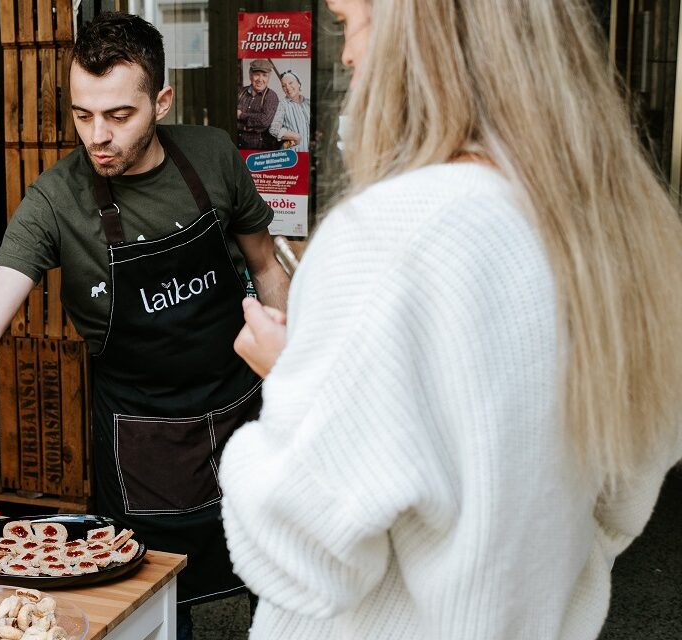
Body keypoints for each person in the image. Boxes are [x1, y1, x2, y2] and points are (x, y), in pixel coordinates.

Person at [221, 0, 682, 638]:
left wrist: (296, 375)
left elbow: (304, 556)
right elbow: (622, 501)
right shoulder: (623, 230)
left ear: (418, 34)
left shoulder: (389, 236)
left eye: (350, 23)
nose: (349, 54)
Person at [0, 11, 289, 636]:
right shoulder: (56, 200)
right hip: (142, 446)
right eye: (82, 115)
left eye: (118, 115)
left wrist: (300, 379)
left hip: (244, 418)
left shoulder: (212, 158)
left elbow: (267, 268)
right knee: (152, 610)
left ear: (161, 101)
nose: (96, 136)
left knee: (275, 587)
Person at [236, 59, 280, 150]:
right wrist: (252, 125)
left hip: (258, 150)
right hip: (236, 145)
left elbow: (264, 121)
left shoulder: (271, 96)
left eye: (264, 75)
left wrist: (241, 115)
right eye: (257, 75)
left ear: (268, 78)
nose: (260, 79)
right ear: (250, 75)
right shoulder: (240, 92)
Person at [267, 70, 310, 151]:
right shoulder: (282, 105)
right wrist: (295, 136)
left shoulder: (308, 103)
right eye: (284, 86)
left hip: (308, 152)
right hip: (293, 154)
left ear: (299, 83)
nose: (287, 87)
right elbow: (274, 129)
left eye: (290, 83)